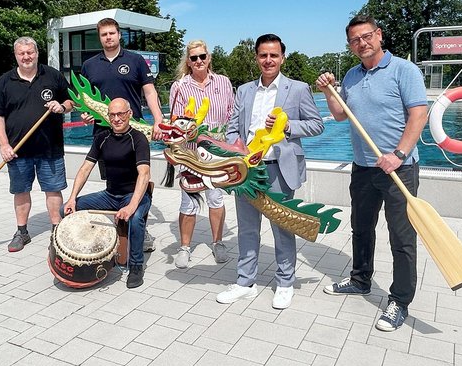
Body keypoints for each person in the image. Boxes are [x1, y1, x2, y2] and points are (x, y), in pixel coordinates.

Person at [315, 15, 429, 332]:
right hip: (364, 167)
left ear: (378, 35)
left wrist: (399, 154)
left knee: (401, 238)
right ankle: (360, 280)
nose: (362, 43)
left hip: (399, 168)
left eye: (366, 36)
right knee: (361, 229)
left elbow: (419, 114)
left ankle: (400, 300)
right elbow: (340, 115)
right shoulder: (351, 76)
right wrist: (329, 90)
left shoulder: (404, 70)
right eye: (355, 40)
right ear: (350, 46)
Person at [216, 34, 323, 310]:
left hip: (280, 169)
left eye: (273, 55)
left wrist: (288, 127)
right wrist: (233, 154)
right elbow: (233, 127)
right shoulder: (244, 91)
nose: (268, 60)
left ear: (282, 58)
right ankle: (245, 282)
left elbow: (316, 125)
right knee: (247, 229)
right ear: (256, 57)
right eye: (263, 55)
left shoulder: (297, 89)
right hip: (248, 170)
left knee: (282, 228)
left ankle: (285, 282)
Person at [79, 17, 163, 252]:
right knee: (114, 183)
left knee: (139, 178)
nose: (108, 37)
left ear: (119, 35)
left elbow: (149, 91)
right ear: (100, 37)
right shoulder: (89, 65)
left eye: (112, 33)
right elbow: (87, 100)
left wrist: (158, 120)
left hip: (133, 133)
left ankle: (140, 228)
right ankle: (121, 230)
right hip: (104, 135)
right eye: (104, 34)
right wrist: (86, 115)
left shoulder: (135, 61)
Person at [0, 36, 74, 252]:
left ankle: (57, 229)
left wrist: (62, 107)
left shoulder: (52, 76)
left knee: (53, 190)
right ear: (16, 56)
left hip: (50, 148)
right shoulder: (4, 82)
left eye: (30, 52)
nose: (26, 56)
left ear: (36, 53)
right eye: (21, 53)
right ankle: (22, 232)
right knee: (21, 191)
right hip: (18, 151)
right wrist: (4, 146)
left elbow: (72, 101)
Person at [64, 98, 153, 289]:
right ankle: (78, 254)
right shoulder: (102, 138)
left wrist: (131, 206)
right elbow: (85, 168)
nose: (117, 118)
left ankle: (136, 266)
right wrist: (71, 198)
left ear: (129, 114)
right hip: (111, 195)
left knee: (136, 218)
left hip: (134, 195)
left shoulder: (138, 139)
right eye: (112, 114)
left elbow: (144, 174)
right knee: (74, 206)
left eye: (121, 114)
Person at [168, 40, 235, 268]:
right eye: (194, 58)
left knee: (216, 199)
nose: (199, 61)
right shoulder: (179, 87)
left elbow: (231, 115)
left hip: (216, 153)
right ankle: (185, 247)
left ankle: (218, 242)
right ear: (188, 61)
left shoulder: (224, 83)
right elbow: (175, 123)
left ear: (209, 58)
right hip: (191, 154)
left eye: (202, 56)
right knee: (188, 202)